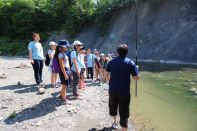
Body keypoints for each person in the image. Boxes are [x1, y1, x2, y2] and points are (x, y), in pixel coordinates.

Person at [106, 44, 139, 131]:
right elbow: (136, 78)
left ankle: (115, 122)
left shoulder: (111, 61)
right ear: (127, 52)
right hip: (124, 92)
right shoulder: (130, 63)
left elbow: (106, 74)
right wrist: (137, 70)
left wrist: (109, 81)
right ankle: (124, 128)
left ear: (117, 52)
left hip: (112, 90)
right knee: (124, 110)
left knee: (113, 106)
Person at [54, 40, 71, 104]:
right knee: (64, 86)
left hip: (67, 70)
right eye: (66, 46)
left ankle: (61, 96)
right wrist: (65, 74)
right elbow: (62, 66)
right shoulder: (60, 54)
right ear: (62, 47)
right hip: (64, 71)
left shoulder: (63, 53)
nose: (67, 47)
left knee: (64, 85)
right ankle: (64, 100)